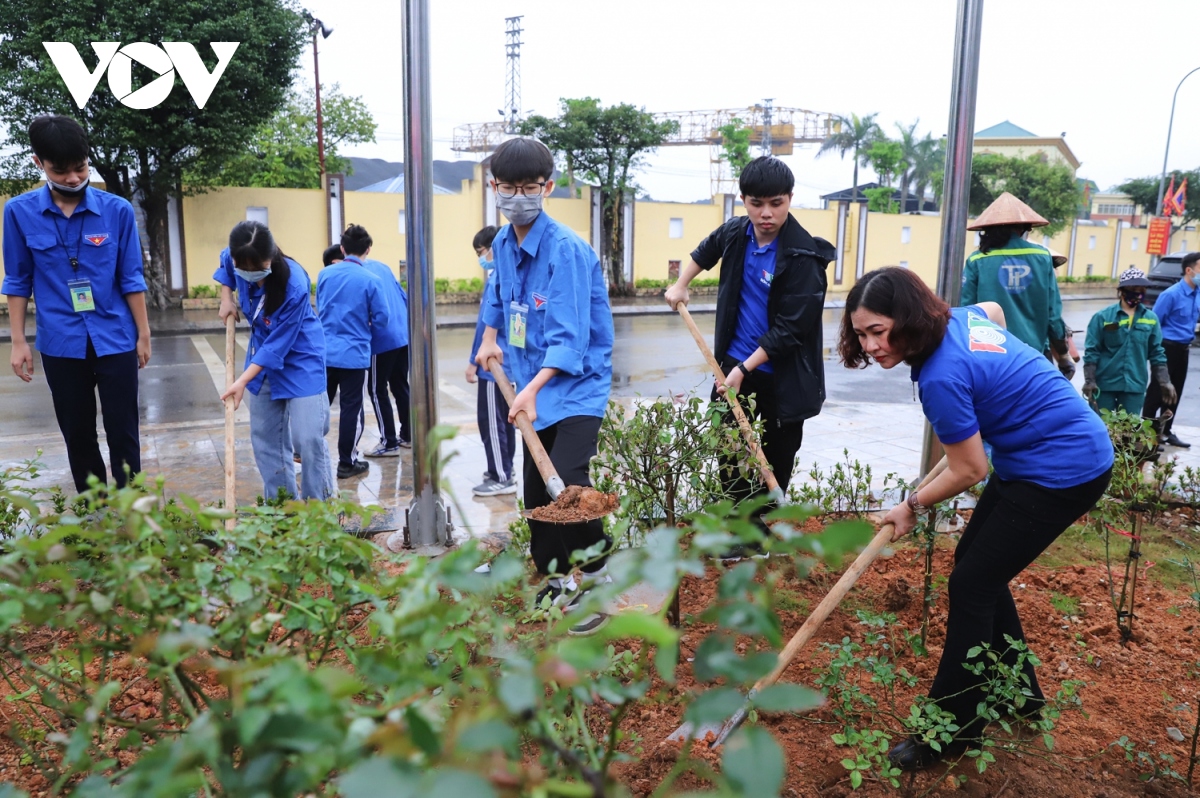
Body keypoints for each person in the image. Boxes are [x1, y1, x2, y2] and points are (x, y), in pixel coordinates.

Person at [840, 267, 1112, 771]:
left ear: (910, 319)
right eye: (861, 333)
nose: (871, 344)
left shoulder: (942, 377)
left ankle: (950, 734)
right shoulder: (964, 318)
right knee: (976, 569)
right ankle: (1020, 696)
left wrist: (910, 506)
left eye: (879, 331)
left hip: (1064, 468)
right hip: (1033, 455)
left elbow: (969, 468)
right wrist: (1001, 390)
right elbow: (995, 314)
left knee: (971, 585)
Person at [474, 137, 614, 636]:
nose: (517, 197)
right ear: (494, 188)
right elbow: (497, 298)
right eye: (507, 188)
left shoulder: (567, 252)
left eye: (528, 188)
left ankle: (598, 579)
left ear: (547, 187)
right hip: (529, 385)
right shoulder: (502, 245)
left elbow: (570, 340)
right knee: (536, 495)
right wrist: (489, 340)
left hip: (574, 389)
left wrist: (531, 389)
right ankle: (556, 581)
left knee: (570, 487)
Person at [664, 156, 835, 546]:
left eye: (776, 203)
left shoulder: (804, 257)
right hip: (733, 368)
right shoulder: (736, 234)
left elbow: (790, 330)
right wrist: (681, 284)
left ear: (790, 199)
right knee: (729, 451)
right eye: (757, 203)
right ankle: (743, 531)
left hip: (781, 377)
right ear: (744, 200)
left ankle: (755, 531)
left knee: (773, 458)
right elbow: (705, 250)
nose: (766, 213)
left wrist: (745, 368)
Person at [3, 115, 151, 493]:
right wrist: (18, 341)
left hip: (115, 337)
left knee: (124, 430)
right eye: (61, 170)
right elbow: (18, 280)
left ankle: (132, 507)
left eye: (80, 167)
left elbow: (131, 277)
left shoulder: (116, 211)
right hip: (60, 343)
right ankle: (95, 516)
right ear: (39, 163)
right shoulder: (18, 213)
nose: (73, 178)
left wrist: (144, 334)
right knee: (78, 434)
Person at [218, 221, 334, 501]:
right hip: (262, 359)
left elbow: (278, 344)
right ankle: (283, 509)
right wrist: (226, 297)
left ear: (269, 258)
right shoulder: (236, 256)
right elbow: (225, 266)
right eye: (241, 268)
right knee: (266, 440)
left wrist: (241, 381)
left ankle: (320, 512)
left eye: (254, 267)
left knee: (307, 439)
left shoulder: (294, 283)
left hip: (300, 358)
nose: (247, 274)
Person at [961, 192, 1074, 378]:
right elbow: (1053, 316)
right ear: (1024, 227)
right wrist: (1062, 355)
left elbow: (967, 313)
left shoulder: (977, 260)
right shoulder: (1043, 257)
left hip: (991, 359)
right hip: (1033, 358)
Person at [316, 229, 392, 479]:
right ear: (368, 249)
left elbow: (321, 307)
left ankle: (308, 455)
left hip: (325, 351)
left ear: (342, 248)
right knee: (351, 409)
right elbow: (382, 319)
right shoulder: (371, 279)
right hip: (354, 355)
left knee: (319, 406)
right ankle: (346, 462)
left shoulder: (325, 274)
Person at [337, 224, 412, 458]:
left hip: (382, 340)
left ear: (342, 249)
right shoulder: (383, 267)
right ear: (368, 248)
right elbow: (403, 296)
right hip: (402, 334)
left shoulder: (354, 274)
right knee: (400, 385)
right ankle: (408, 436)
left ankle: (389, 442)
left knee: (377, 389)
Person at [466, 225, 517, 496]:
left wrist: (474, 360)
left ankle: (500, 475)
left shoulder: (496, 278)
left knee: (491, 422)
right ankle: (504, 469)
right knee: (505, 420)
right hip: (508, 362)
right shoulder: (510, 275)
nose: (480, 258)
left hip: (493, 364)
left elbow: (485, 327)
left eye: (481, 252)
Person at [1083, 268, 1174, 415]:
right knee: (1100, 427)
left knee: (1129, 432)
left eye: (1141, 289)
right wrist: (1089, 381)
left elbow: (1157, 353)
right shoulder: (1102, 317)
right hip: (1104, 385)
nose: (1138, 293)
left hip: (1134, 386)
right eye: (1133, 289)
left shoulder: (1151, 319)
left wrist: (1165, 382)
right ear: (1122, 291)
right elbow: (1092, 351)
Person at [1143, 252, 1200, 448]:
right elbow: (1154, 324)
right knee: (1157, 392)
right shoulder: (1171, 294)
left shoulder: (1197, 294)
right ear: (1189, 270)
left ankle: (1165, 432)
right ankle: (1148, 435)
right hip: (1166, 348)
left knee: (1175, 392)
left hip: (1184, 349)